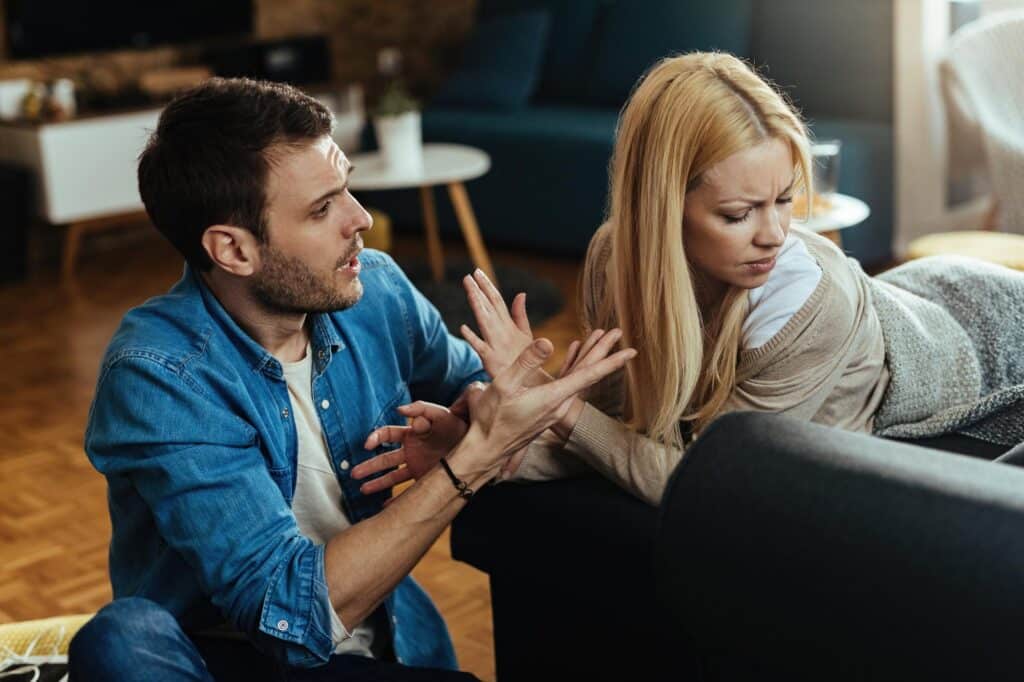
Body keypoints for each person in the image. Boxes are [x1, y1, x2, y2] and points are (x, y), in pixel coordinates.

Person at [68, 77, 635, 681]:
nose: (361, 219)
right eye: (322, 208)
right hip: (223, 658)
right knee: (119, 640)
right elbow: (287, 615)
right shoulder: (159, 377)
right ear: (232, 250)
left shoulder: (377, 289)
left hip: (371, 645)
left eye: (347, 189)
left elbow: (476, 394)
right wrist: (472, 458)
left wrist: (489, 409)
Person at [359, 52, 1024, 508]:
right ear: (663, 209)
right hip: (919, 295)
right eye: (738, 214)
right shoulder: (614, 259)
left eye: (786, 201)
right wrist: (474, 455)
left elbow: (706, 482)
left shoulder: (807, 306)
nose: (774, 234)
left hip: (983, 337)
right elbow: (624, 431)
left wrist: (557, 402)